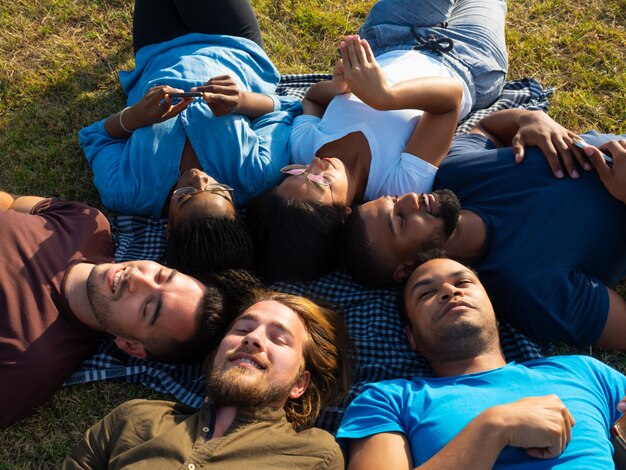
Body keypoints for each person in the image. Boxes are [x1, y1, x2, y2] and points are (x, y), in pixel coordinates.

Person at [247, 0, 507, 281]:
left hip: (388, 38)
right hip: (465, 60)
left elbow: (311, 99)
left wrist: (336, 89)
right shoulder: (398, 184)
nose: (314, 165)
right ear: (345, 213)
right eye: (320, 182)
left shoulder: (303, 148)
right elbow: (449, 101)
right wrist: (385, 97)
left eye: (296, 173)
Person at [342, 109, 626, 349]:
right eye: (400, 220)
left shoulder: (456, 171)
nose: (408, 198)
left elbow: (487, 126)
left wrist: (530, 118)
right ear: (405, 270)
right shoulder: (529, 289)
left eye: (393, 199)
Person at [336, 256, 626, 468]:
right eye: (426, 293)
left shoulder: (585, 372)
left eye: (463, 282)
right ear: (410, 335)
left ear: (493, 309)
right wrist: (493, 427)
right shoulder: (387, 401)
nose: (450, 292)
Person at [80, 0, 301, 275]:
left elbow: (95, 137)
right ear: (235, 208)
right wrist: (242, 101)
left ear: (168, 225)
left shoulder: (126, 191)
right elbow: (287, 107)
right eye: (219, 190)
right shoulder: (256, 175)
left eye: (184, 196)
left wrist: (135, 117)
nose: (199, 178)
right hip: (232, 43)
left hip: (155, 50)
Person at [0, 190, 253, 426]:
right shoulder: (88, 226)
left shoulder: (26, 363)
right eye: (161, 276)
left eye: (148, 307)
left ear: (130, 346)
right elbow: (12, 203)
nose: (138, 279)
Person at [63, 289, 351, 469]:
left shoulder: (315, 455)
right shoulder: (136, 418)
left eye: (278, 338)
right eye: (242, 330)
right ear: (217, 354)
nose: (252, 339)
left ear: (299, 384)